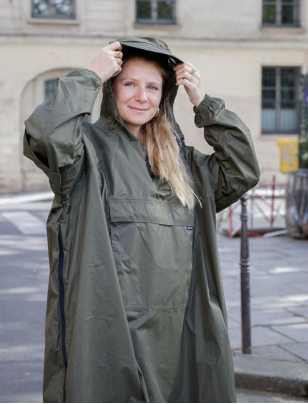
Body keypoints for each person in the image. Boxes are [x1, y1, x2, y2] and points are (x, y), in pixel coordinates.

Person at [23, 36, 260, 403]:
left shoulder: (185, 164)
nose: (141, 97)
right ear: (111, 88)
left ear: (165, 97)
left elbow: (242, 168)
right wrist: (88, 76)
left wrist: (204, 103)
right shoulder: (84, 150)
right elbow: (46, 135)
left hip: (179, 330)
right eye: (129, 84)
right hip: (107, 328)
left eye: (153, 87)